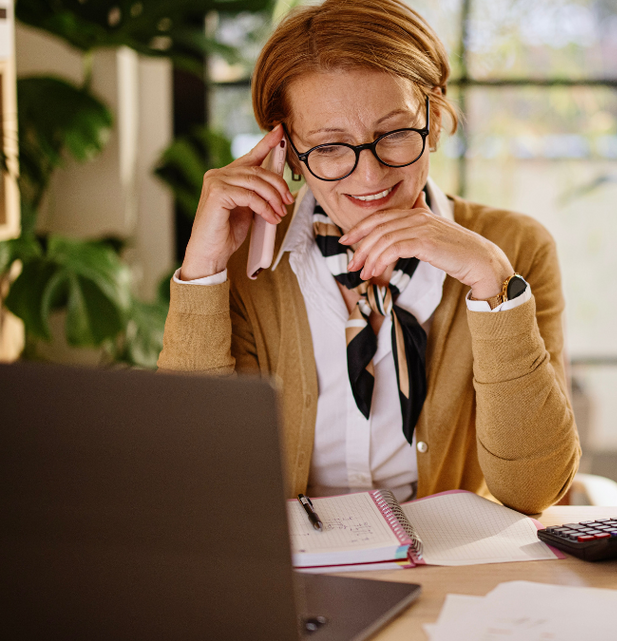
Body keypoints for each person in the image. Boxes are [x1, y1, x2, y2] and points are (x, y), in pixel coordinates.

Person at [157, 0, 579, 514]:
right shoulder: (249, 263)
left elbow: (535, 490)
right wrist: (203, 274)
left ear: (436, 115)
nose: (370, 176)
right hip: (294, 572)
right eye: (331, 146)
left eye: (396, 133)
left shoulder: (515, 248)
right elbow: (199, 483)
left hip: (448, 571)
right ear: (286, 151)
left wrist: (492, 285)